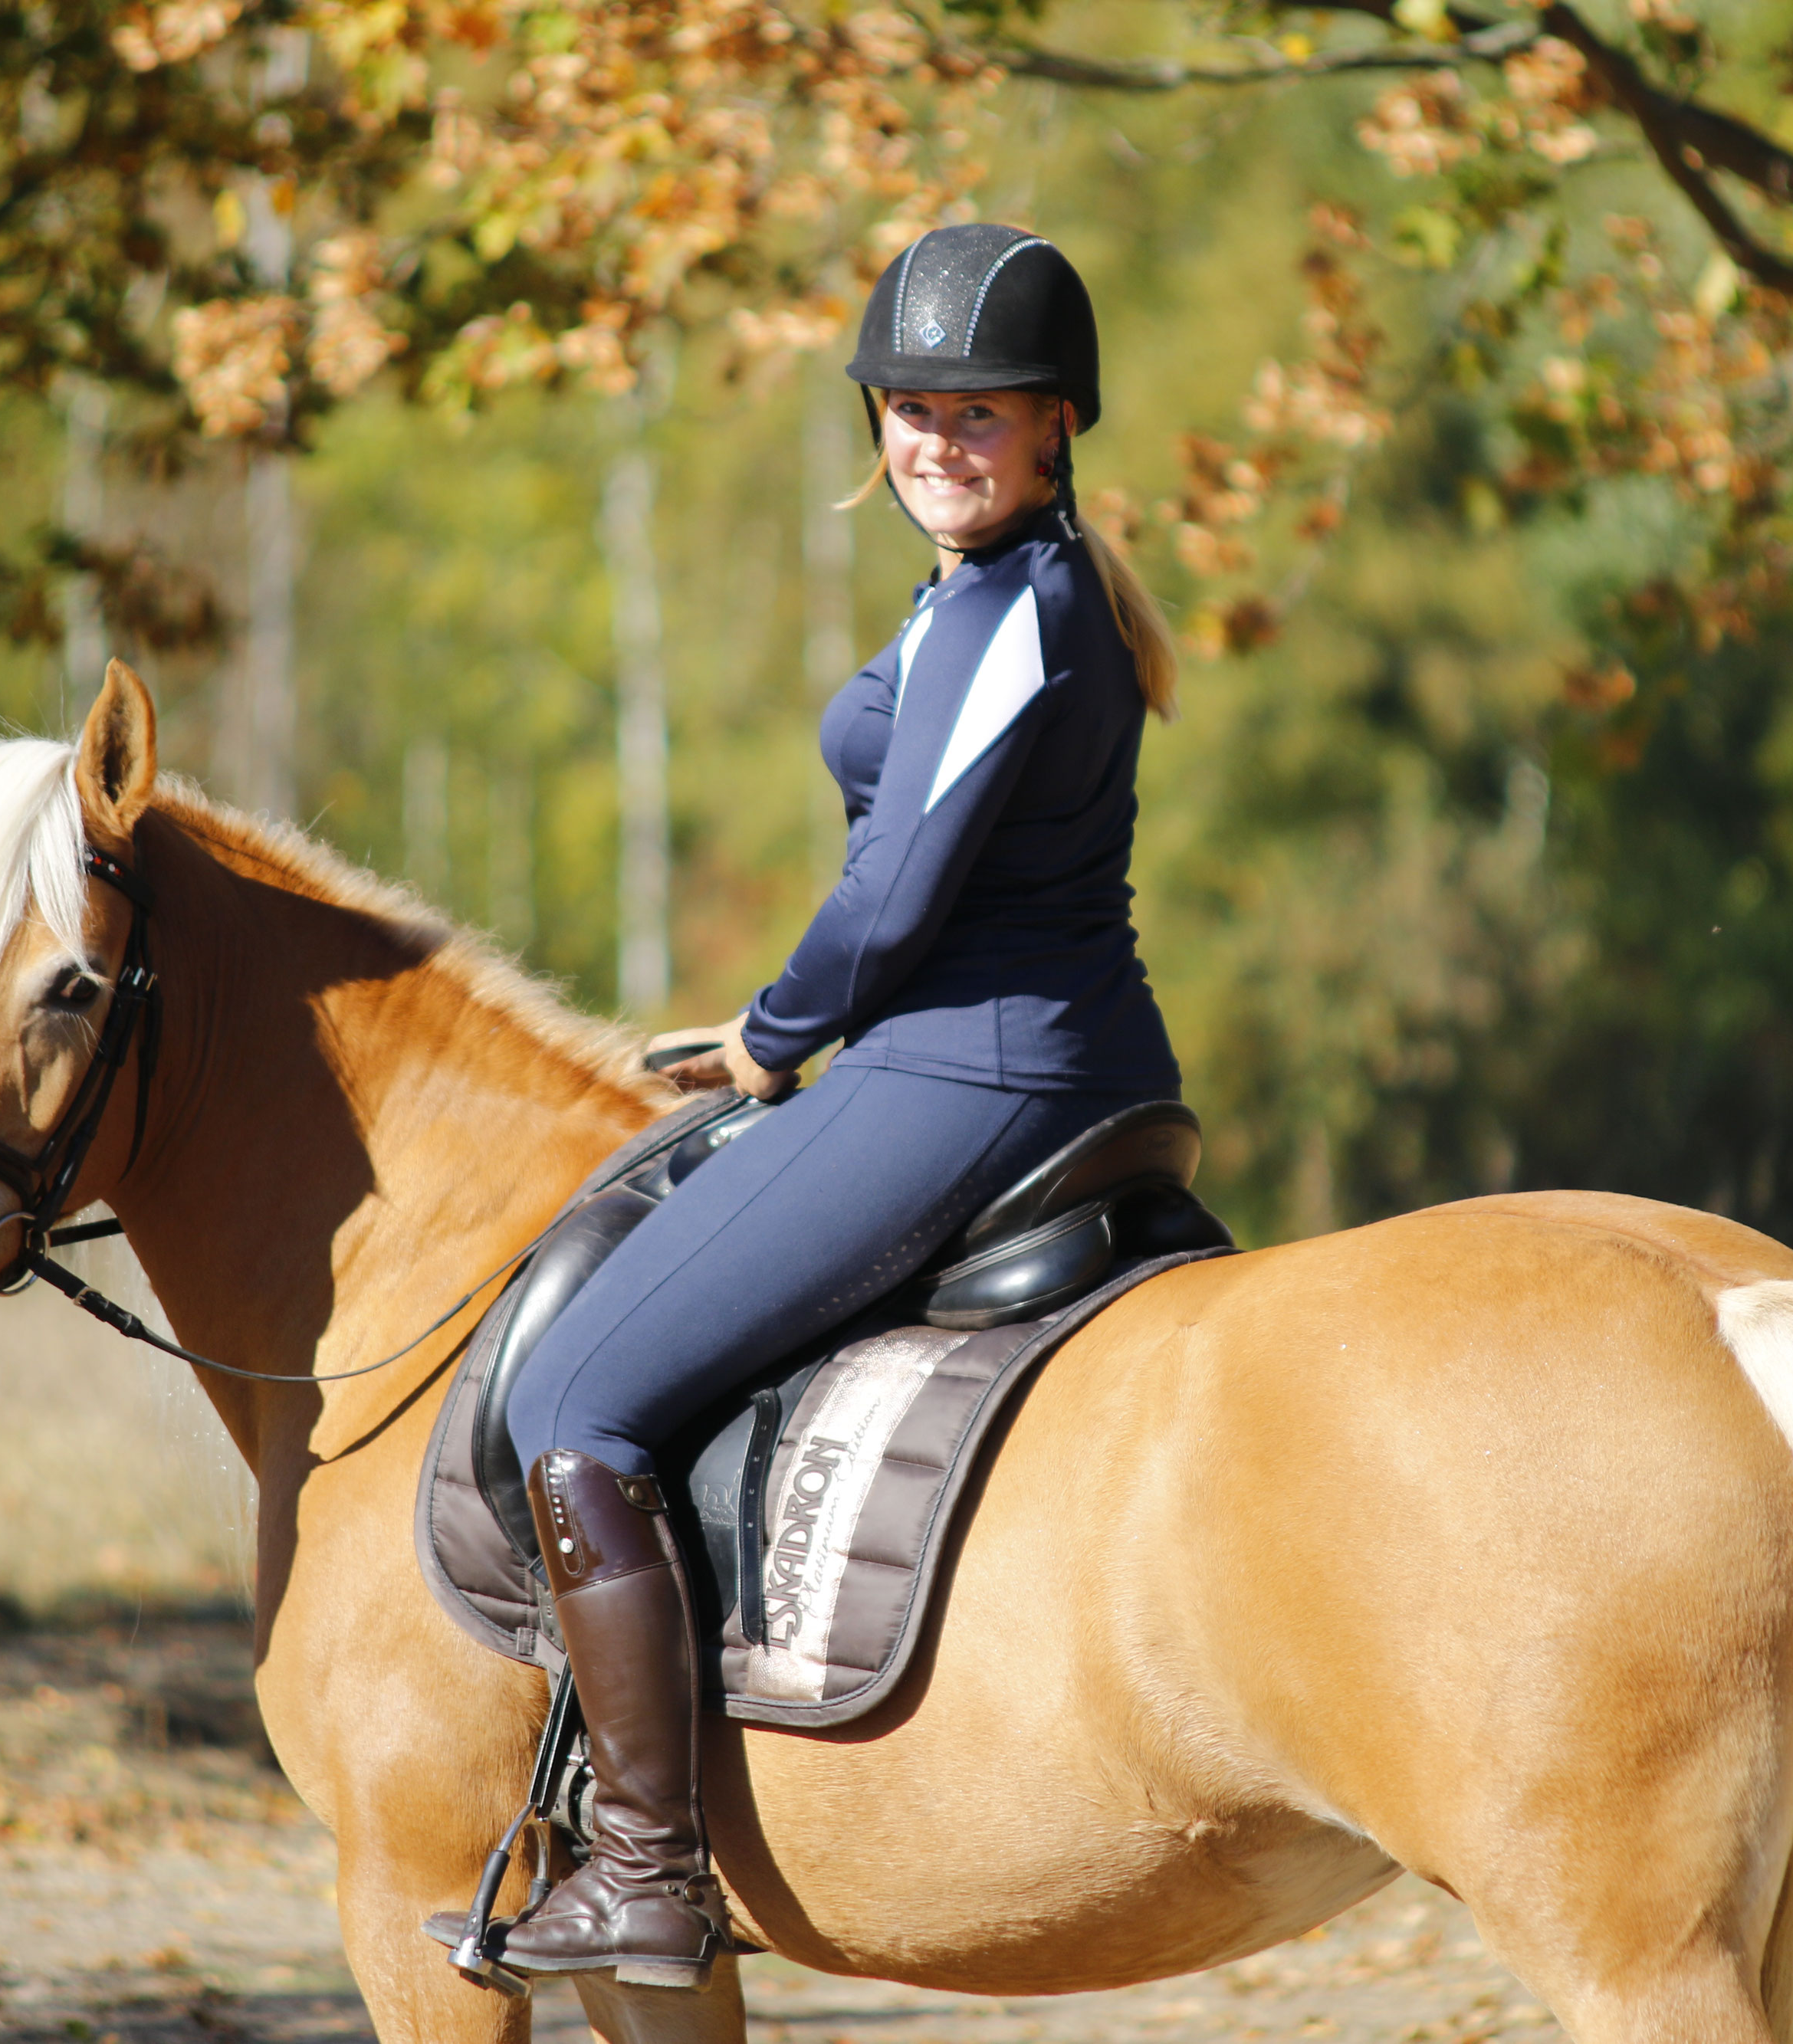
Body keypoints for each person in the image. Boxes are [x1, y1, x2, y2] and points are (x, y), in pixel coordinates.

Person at [491, 222, 1185, 1990]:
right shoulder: (1005, 592)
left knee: (575, 1389)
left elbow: (890, 899)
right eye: (908, 405)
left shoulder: (1014, 608)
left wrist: (773, 1035)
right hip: (1021, 1044)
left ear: (1056, 426)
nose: (937, 437)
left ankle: (645, 1863)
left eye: (981, 410)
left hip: (969, 1065)